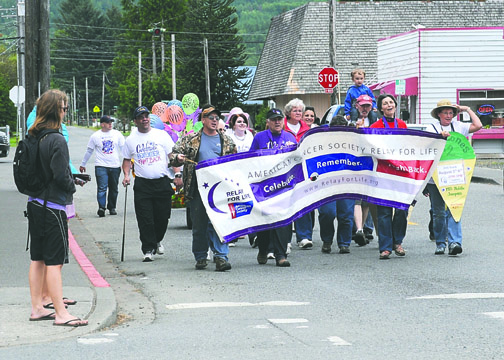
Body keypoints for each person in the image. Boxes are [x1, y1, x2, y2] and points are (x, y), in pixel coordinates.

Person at [26, 89, 88, 327]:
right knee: (55, 261)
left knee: (38, 258)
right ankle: (61, 313)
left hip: (34, 202)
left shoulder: (33, 136)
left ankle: (37, 308)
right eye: (64, 108)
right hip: (53, 205)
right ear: (56, 110)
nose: (65, 112)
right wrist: (72, 186)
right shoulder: (57, 139)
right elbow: (61, 177)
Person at [169, 104, 237, 271]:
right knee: (199, 225)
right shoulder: (190, 139)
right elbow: (172, 156)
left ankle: (221, 257)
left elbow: (237, 161)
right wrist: (178, 157)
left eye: (217, 118)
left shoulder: (226, 140)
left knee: (219, 222)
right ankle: (200, 255)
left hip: (220, 189)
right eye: (211, 118)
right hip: (197, 188)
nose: (215, 121)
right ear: (203, 120)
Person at [122, 106, 180, 262]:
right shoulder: (131, 140)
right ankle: (148, 249)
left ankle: (156, 240)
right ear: (135, 121)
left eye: (146, 116)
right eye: (141, 117)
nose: (144, 119)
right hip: (142, 185)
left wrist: (178, 174)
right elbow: (126, 160)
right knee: (145, 219)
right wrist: (126, 175)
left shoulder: (161, 135)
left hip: (162, 182)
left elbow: (172, 156)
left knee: (162, 217)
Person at [425, 99, 482, 256]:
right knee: (438, 212)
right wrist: (439, 137)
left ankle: (455, 242)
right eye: (445, 112)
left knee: (454, 209)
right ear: (439, 114)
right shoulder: (431, 128)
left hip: (454, 175)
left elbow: (478, 126)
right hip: (435, 178)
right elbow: (426, 145)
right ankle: (440, 243)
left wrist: (467, 109)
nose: (448, 115)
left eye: (451, 112)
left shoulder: (459, 127)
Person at [249, 108, 296, 267]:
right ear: (267, 122)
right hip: (265, 187)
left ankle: (280, 255)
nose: (277, 122)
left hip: (284, 186)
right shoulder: (259, 137)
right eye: (274, 119)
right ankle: (263, 249)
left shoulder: (290, 138)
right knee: (265, 222)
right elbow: (250, 160)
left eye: (280, 119)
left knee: (283, 220)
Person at [370, 94, 408, 259]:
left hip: (400, 174)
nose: (389, 105)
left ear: (395, 106)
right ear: (380, 108)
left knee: (401, 210)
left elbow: (410, 146)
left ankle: (397, 242)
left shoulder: (402, 124)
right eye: (385, 103)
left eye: (391, 102)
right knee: (384, 212)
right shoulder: (375, 126)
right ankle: (385, 248)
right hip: (383, 174)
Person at [316, 115, 358, 254]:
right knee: (327, 213)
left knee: (346, 214)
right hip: (326, 183)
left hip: (347, 183)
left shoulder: (352, 143)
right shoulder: (322, 142)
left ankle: (344, 243)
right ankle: (327, 240)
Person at [80, 115, 125, 217]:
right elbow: (89, 151)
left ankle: (112, 207)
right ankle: (101, 207)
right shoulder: (95, 136)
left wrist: (129, 161)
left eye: (111, 122)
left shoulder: (117, 134)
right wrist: (83, 164)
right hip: (101, 166)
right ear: (102, 124)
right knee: (102, 188)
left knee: (114, 188)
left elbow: (124, 148)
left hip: (115, 166)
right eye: (108, 122)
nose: (110, 124)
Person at [283, 98, 313, 250]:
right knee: (286, 202)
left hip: (302, 168)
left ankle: (304, 236)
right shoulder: (281, 126)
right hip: (285, 170)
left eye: (300, 110)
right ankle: (285, 238)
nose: (298, 113)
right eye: (295, 110)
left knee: (303, 200)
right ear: (288, 112)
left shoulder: (307, 129)